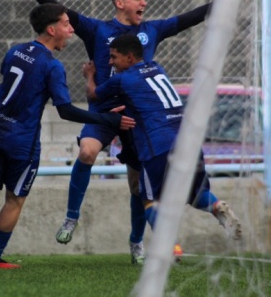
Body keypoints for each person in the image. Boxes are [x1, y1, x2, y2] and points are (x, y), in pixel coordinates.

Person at [20, 0, 249, 264]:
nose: (144, 3)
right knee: (87, 151)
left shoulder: (151, 30)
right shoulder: (97, 30)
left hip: (137, 117)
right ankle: (71, 218)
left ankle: (136, 243)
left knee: (138, 186)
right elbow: (63, 13)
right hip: (103, 113)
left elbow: (194, 16)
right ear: (121, 3)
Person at [0, 3, 135, 269]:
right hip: (21, 142)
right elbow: (65, 110)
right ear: (51, 29)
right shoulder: (52, 66)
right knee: (14, 200)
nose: (71, 29)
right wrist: (108, 118)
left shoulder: (15, 51)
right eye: (65, 24)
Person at [83, 34, 242, 245]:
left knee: (149, 199)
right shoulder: (157, 68)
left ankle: (169, 247)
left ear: (129, 57)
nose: (111, 62)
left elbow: (93, 95)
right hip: (189, 141)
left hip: (158, 145)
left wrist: (90, 75)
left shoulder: (121, 80)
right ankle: (217, 207)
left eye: (114, 57)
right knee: (197, 193)